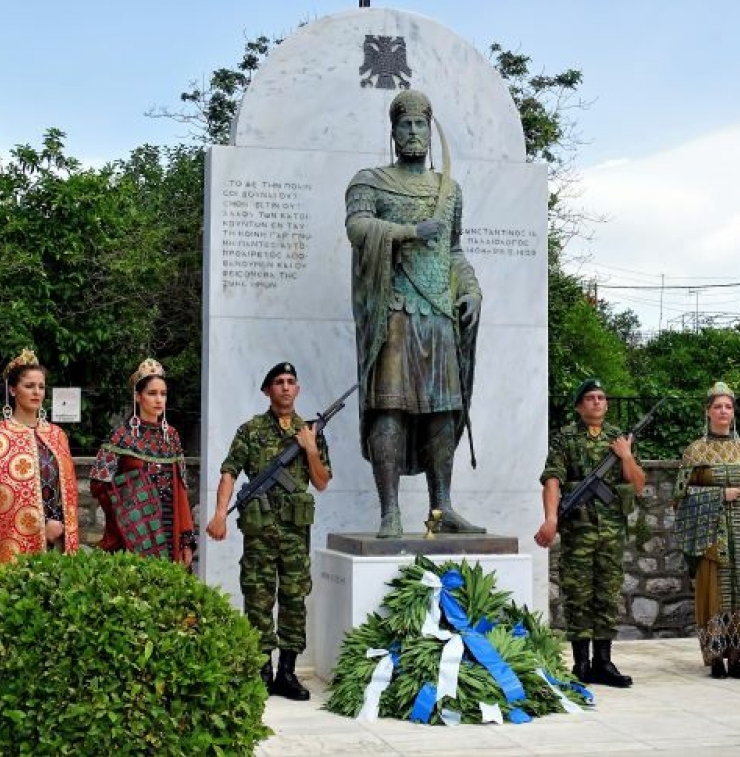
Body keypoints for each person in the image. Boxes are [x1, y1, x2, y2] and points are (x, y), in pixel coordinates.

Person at [346, 89, 483, 538]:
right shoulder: (370, 180)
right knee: (391, 407)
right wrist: (408, 231)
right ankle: (390, 512)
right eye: (404, 124)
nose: (412, 131)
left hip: (438, 312)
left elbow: (453, 251)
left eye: (419, 124)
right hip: (394, 310)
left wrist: (471, 288)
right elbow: (358, 227)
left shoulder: (450, 191)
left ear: (429, 129)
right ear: (393, 131)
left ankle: (441, 508)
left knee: (443, 410)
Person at [205, 362, 331, 701]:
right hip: (260, 534)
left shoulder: (311, 432)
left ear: (298, 389)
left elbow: (321, 482)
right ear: (267, 390)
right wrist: (219, 514)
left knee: (294, 601)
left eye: (291, 382)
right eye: (278, 382)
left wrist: (310, 448)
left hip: (294, 536)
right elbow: (229, 473)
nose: (285, 387)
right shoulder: (250, 431)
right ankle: (261, 670)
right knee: (258, 600)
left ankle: (287, 672)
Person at [535, 378, 646, 687]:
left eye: (601, 397)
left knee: (608, 594)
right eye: (590, 398)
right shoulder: (565, 439)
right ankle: (581, 663)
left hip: (611, 532)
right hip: (578, 531)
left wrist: (626, 455)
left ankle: (604, 662)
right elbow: (553, 479)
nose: (597, 402)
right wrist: (551, 519)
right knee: (578, 593)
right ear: (579, 406)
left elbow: (638, 484)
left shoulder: (617, 439)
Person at [673, 382, 740, 679]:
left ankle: (736, 657)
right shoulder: (695, 451)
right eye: (717, 406)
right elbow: (679, 500)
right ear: (708, 412)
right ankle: (716, 657)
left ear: (733, 412)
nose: (723, 411)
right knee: (713, 595)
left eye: (728, 406)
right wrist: (717, 495)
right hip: (709, 540)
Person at [0, 349, 80, 572]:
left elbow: (68, 493)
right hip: (17, 544)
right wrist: (42, 527)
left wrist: (59, 526)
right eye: (29, 386)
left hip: (60, 540)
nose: (37, 393)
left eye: (41, 387)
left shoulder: (57, 435)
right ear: (13, 390)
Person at [89, 358, 197, 568]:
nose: (159, 400)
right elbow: (99, 485)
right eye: (152, 393)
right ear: (138, 396)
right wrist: (127, 515)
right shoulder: (120, 437)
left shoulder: (172, 437)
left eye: (163, 394)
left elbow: (181, 491)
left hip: (168, 529)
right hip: (133, 535)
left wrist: (186, 541)